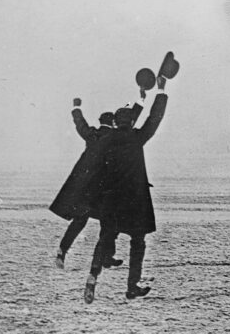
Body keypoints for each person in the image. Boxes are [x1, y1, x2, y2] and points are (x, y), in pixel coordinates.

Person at [83, 75, 170, 304]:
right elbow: (154, 118)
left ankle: (93, 275)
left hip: (111, 200)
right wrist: (160, 91)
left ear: (114, 123)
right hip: (134, 201)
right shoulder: (137, 137)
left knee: (105, 238)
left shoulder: (106, 140)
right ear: (130, 122)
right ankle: (132, 286)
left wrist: (140, 99)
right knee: (137, 242)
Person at [49, 97, 146, 269]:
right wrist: (140, 101)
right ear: (114, 123)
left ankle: (62, 250)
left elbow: (80, 124)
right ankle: (106, 256)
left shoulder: (92, 134)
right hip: (103, 189)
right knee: (110, 223)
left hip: (86, 189)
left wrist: (76, 107)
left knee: (80, 220)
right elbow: (131, 121)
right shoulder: (114, 136)